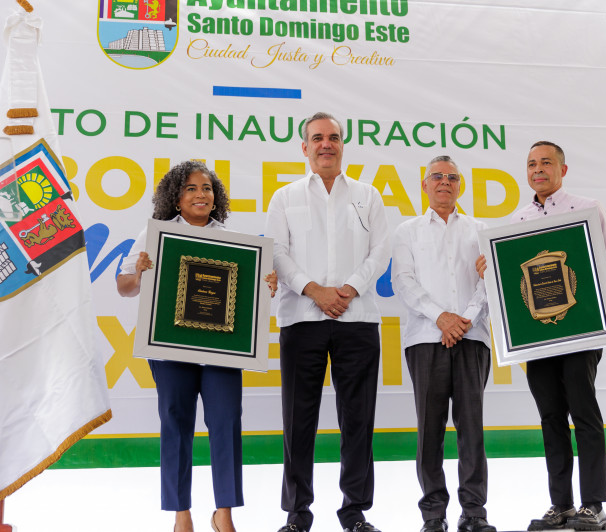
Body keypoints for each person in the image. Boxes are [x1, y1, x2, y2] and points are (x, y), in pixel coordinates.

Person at [477, 141, 606, 531]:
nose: (538, 169)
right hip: (537, 338)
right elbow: (511, 283)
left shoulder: (587, 209)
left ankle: (593, 505)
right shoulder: (515, 221)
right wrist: (489, 268)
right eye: (531, 164)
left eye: (546, 163)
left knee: (584, 413)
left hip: (581, 331)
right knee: (550, 417)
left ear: (562, 170)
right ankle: (561, 504)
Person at [117, 160, 277, 532]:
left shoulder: (233, 240)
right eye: (190, 188)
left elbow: (245, 298)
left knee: (226, 423)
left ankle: (224, 513)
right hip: (170, 350)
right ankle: (181, 514)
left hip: (221, 351)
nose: (200, 194)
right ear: (176, 198)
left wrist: (265, 284)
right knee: (175, 424)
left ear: (215, 196)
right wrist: (138, 272)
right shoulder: (155, 236)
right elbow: (124, 288)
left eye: (206, 188)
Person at [265, 112, 391, 532]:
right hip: (302, 318)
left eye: (333, 137)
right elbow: (277, 252)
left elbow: (380, 251)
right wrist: (314, 290)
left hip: (358, 319)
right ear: (305, 147)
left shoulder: (369, 195)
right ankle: (297, 513)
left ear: (342, 144)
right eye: (317, 138)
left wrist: (350, 288)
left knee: (358, 419)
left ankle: (354, 512)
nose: (326, 144)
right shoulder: (285, 197)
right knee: (298, 420)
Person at [392, 156, 497, 532]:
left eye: (452, 177)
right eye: (436, 176)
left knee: (472, 429)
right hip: (425, 339)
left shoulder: (480, 230)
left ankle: (474, 513)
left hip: (473, 337)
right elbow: (403, 282)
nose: (444, 182)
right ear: (424, 185)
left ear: (460, 186)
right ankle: (433, 515)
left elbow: (489, 282)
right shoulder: (407, 231)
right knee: (430, 430)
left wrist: (463, 319)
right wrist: (441, 318)